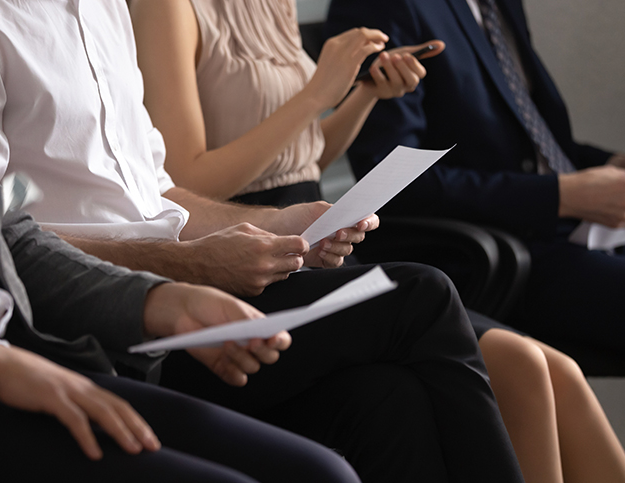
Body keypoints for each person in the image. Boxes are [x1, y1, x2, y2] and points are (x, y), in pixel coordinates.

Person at [0, 1, 529, 481]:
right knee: (418, 293)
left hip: (173, 283)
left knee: (387, 400)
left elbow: (156, 191)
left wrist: (268, 227)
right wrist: (180, 269)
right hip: (97, 319)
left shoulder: (101, 10)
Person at [130, 1, 625, 482]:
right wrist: (318, 94)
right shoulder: (168, 7)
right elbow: (182, 180)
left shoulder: (273, 4)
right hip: (241, 248)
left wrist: (365, 93)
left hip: (314, 237)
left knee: (551, 367)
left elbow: (304, 159)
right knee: (515, 363)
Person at [324, 0, 625, 354]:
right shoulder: (387, 7)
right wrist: (560, 196)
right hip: (494, 253)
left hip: (570, 228)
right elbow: (395, 182)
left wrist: (608, 164)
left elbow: (529, 139)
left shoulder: (498, 6)